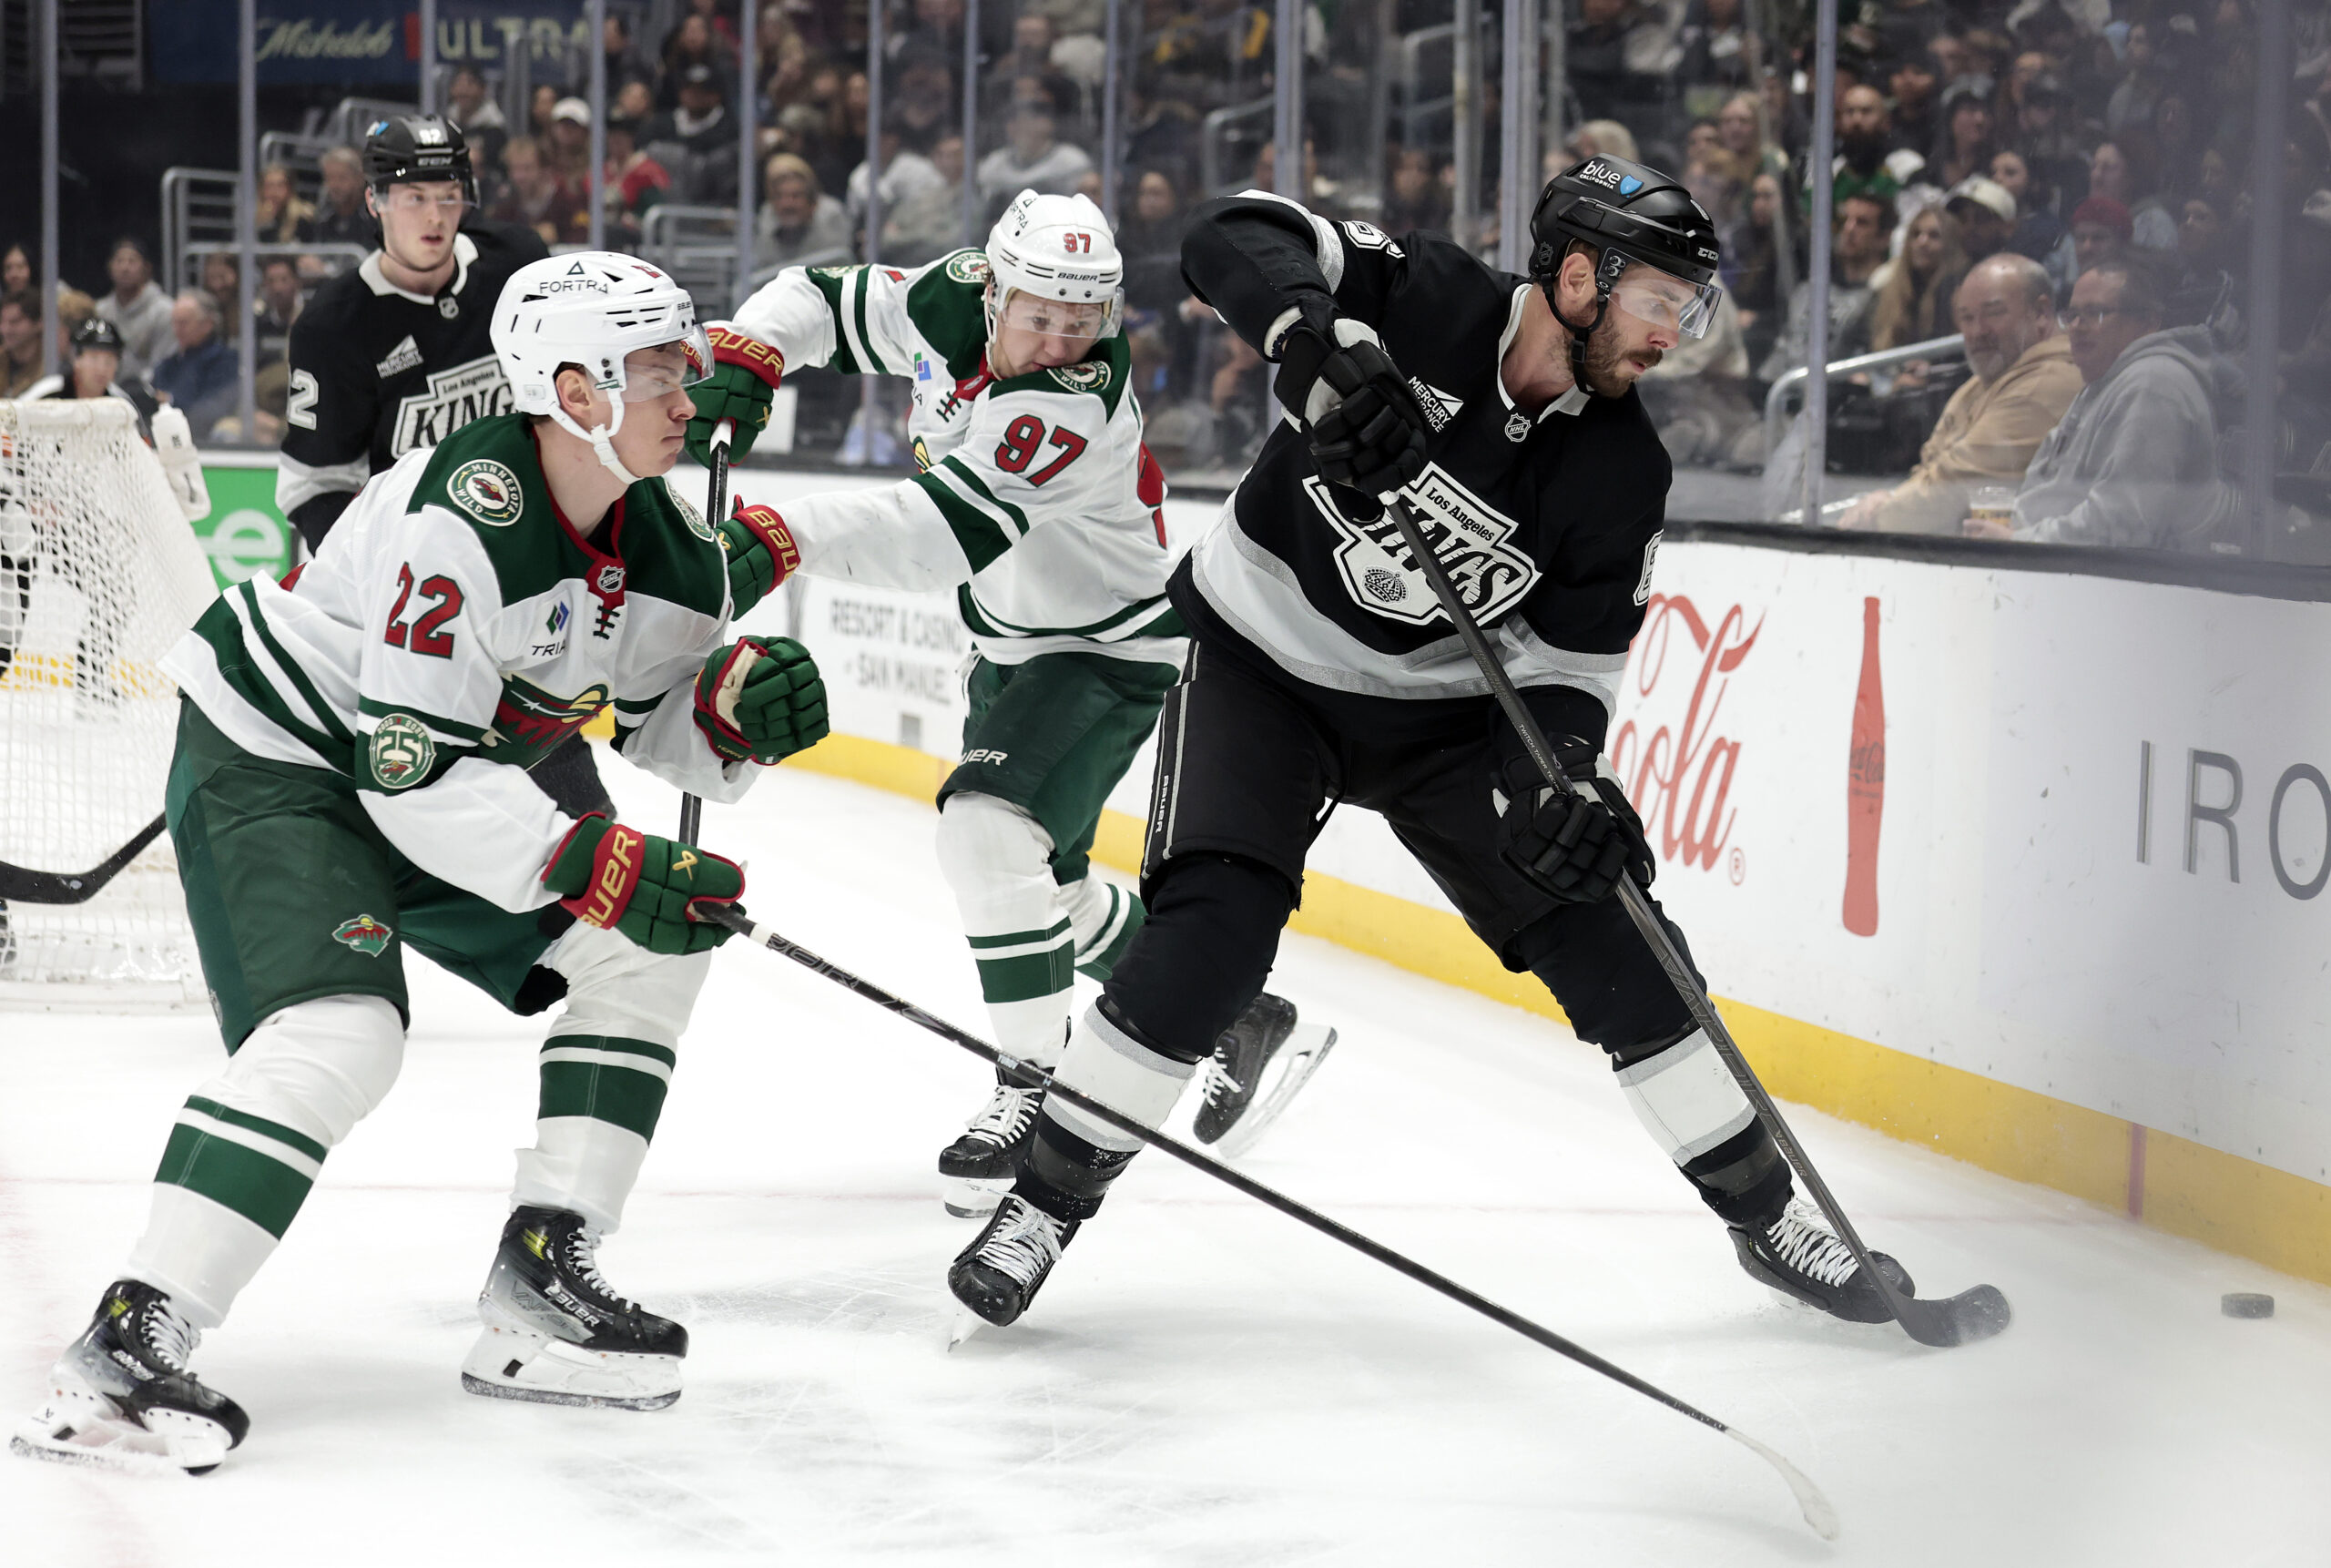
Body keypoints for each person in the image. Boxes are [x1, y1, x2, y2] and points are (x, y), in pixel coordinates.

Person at [943, 156, 1919, 1334]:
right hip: (1264, 663)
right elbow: (1226, 230)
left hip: (1448, 716)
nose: (1677, 334)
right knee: (1213, 930)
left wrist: (1565, 781)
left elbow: (1568, 671)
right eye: (1662, 300)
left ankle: (1771, 1216)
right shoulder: (1428, 296)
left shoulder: (1623, 467)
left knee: (1618, 935)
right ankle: (1047, 1200)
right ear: (1576, 276)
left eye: (1688, 307)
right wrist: (1310, 336)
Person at [10, 252, 830, 1476]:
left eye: (684, 359)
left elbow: (644, 703)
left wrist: (729, 714)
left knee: (647, 957)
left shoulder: (651, 527)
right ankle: (131, 1336)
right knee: (343, 1030)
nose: (689, 390)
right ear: (576, 387)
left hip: (420, 761)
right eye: (658, 366)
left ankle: (544, 1275)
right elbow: (410, 776)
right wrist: (585, 853)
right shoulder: (468, 507)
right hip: (280, 753)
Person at [688, 190, 1305, 1214]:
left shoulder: (1072, 402)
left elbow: (939, 533)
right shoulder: (952, 298)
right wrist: (754, 352)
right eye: (1041, 315)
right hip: (1011, 642)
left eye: (1083, 319)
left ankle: (1037, 1091)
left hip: (1104, 646)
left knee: (982, 834)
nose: (1061, 337)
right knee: (1039, 891)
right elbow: (815, 296)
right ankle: (1239, 1012)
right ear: (996, 292)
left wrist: (781, 534)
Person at [273, 119, 625, 824]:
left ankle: (591, 895)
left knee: (577, 817)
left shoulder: (518, 267)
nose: (433, 216)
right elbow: (315, 486)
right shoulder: (333, 326)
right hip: (419, 597)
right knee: (410, 808)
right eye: (411, 197)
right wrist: (390, 584)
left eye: (447, 194)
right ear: (372, 203)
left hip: (527, 575)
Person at [1979, 257, 2234, 548]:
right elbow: (2045, 492)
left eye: (2095, 313)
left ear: (2148, 321)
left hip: (2121, 586)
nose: (2077, 326)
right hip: (2052, 568)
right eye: (2072, 315)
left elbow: (2122, 526)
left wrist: (2017, 543)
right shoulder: (2102, 382)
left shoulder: (2155, 385)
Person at [1837, 254, 2082, 534]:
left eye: (1993, 313)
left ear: (2041, 312)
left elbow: (1953, 489)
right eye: (1966, 317)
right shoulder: (1984, 382)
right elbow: (1931, 469)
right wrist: (1889, 503)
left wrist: (1879, 514)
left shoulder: (2047, 383)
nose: (1977, 331)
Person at [1757, 190, 1891, 382]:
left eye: (1861, 223)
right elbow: (1784, 347)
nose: (1849, 229)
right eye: (1845, 220)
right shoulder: (1807, 289)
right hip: (1780, 390)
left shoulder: (1884, 298)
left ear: (1884, 238)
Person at [25, 317, 160, 434]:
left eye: (109, 361)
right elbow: (10, 423)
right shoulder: (47, 392)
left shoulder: (122, 405)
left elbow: (141, 447)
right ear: (77, 359)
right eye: (94, 359)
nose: (101, 369)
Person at [1868, 205, 1968, 351]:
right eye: (1916, 234)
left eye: (1934, 235)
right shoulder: (1888, 287)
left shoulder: (1958, 291)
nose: (1922, 242)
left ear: (1950, 243)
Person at [974, 101, 1094, 217]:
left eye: (1026, 120)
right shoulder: (993, 165)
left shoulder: (1071, 162)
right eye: (1013, 121)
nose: (1018, 127)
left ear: (1047, 124)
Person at [149, 290, 239, 440]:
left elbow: (214, 409)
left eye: (183, 323)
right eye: (174, 322)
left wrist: (170, 402)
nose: (176, 329)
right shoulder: (169, 364)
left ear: (207, 325)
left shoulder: (224, 361)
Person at [753, 153, 853, 274]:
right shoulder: (766, 215)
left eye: (796, 196)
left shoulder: (832, 215)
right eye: (779, 196)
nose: (787, 204)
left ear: (813, 204)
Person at [92, 238, 174, 382]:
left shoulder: (164, 311)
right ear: (110, 268)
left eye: (132, 261)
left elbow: (163, 363)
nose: (125, 268)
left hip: (149, 390)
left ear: (146, 268)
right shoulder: (100, 311)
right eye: (119, 261)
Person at [301, 147, 381, 249]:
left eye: (342, 178)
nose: (335, 185)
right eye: (329, 178)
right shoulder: (321, 218)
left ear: (359, 179)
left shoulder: (374, 218)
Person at [0, 288, 41, 398]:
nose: (5, 330)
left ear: (38, 323)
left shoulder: (50, 366)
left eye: (15, 322)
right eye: (3, 321)